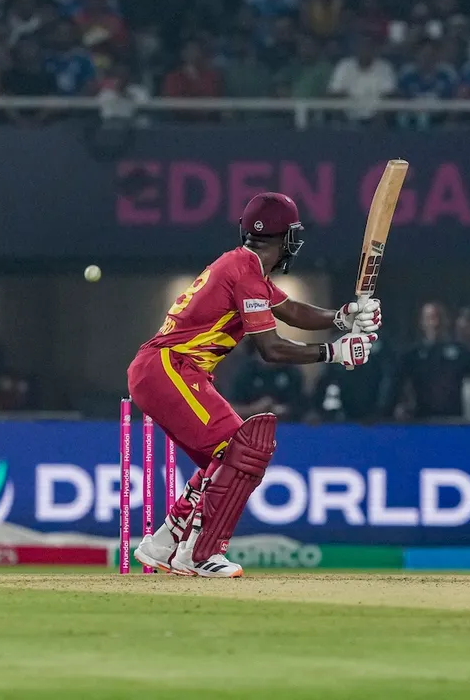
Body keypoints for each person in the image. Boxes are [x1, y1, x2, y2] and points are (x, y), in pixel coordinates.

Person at [129, 193, 381, 578]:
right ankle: (198, 553)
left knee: (232, 457)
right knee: (244, 449)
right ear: (287, 236)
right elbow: (271, 348)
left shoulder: (243, 267)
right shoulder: (245, 271)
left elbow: (291, 310)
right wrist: (333, 352)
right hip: (169, 368)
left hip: (167, 370)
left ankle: (165, 542)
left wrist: (343, 317)